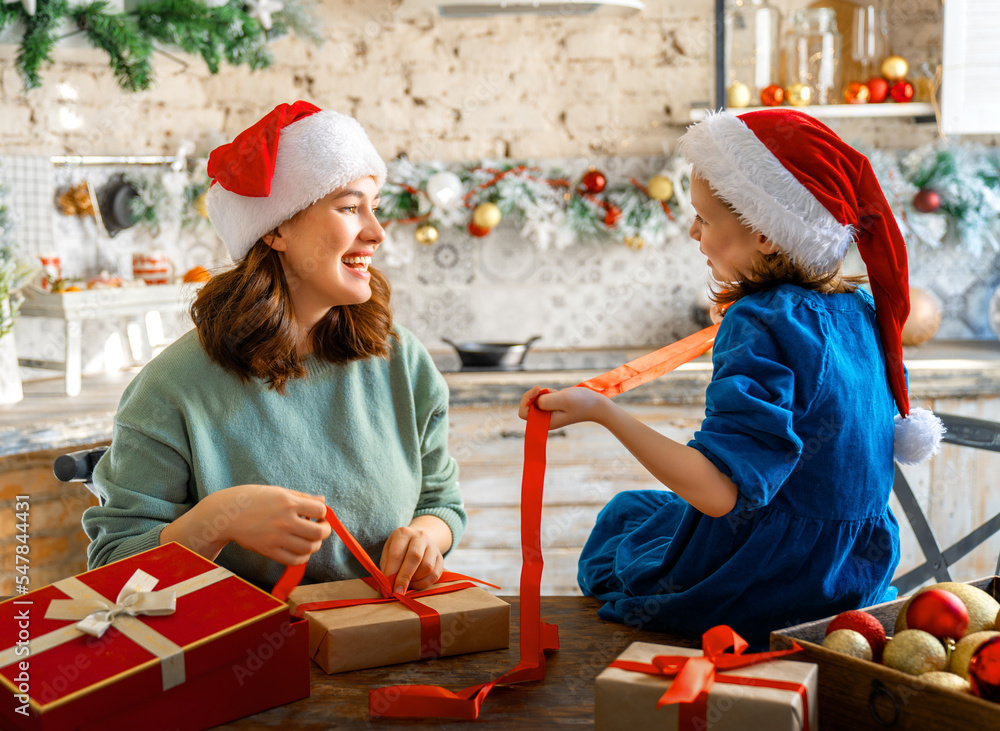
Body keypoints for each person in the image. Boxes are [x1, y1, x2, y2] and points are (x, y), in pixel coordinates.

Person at [519, 109, 944, 648]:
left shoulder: (763, 320)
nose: (693, 231)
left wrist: (604, 413)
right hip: (852, 581)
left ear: (766, 232)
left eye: (705, 217)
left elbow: (720, 492)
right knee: (648, 513)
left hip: (772, 585)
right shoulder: (862, 310)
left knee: (619, 528)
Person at [84, 101, 466, 596]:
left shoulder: (403, 362)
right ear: (277, 228)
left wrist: (426, 539)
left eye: (375, 207)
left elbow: (440, 502)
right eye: (351, 207)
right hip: (239, 657)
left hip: (381, 645)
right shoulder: (171, 388)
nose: (376, 232)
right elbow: (112, 568)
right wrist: (218, 519)